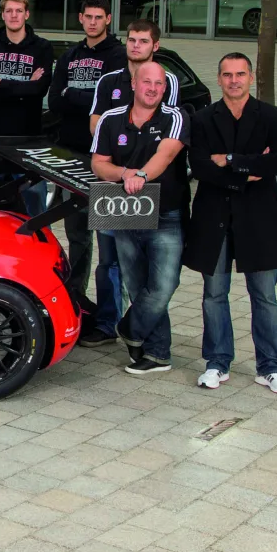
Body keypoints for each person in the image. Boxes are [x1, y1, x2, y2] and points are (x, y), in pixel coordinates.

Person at [184, 52, 277, 393]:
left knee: (265, 296)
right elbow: (200, 167)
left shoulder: (271, 116)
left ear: (251, 77)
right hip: (214, 217)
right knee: (214, 294)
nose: (234, 80)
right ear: (219, 79)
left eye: (240, 74)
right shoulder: (202, 118)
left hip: (258, 219)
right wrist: (247, 172)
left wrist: (229, 159)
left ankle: (271, 367)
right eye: (228, 75)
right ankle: (217, 362)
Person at [91, 60, 189, 375]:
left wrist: (142, 176)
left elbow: (166, 154)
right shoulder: (110, 119)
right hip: (124, 210)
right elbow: (98, 164)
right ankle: (156, 353)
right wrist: (124, 173)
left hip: (166, 213)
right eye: (147, 82)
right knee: (136, 284)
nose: (153, 89)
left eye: (159, 84)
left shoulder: (176, 116)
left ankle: (129, 328)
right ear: (134, 84)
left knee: (164, 284)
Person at [49, 0, 127, 345]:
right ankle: (77, 302)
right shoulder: (69, 55)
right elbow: (55, 100)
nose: (93, 22)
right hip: (71, 154)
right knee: (77, 234)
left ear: (108, 19)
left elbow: (112, 103)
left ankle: (111, 319)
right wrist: (88, 97)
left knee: (110, 241)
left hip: (106, 160)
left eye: (99, 17)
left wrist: (74, 95)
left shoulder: (118, 55)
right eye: (88, 16)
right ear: (80, 18)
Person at [0, 0, 53, 214]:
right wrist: (24, 86)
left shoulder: (42, 47)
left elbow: (39, 90)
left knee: (35, 207)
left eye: (19, 11)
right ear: (2, 15)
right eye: (8, 11)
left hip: (28, 141)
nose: (14, 15)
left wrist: (0, 83)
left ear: (27, 14)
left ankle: (37, 239)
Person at [89, 18, 179, 136]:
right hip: (114, 146)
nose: (136, 45)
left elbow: (169, 125)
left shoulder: (167, 80)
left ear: (155, 46)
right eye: (131, 40)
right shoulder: (107, 80)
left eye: (143, 41)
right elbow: (95, 125)